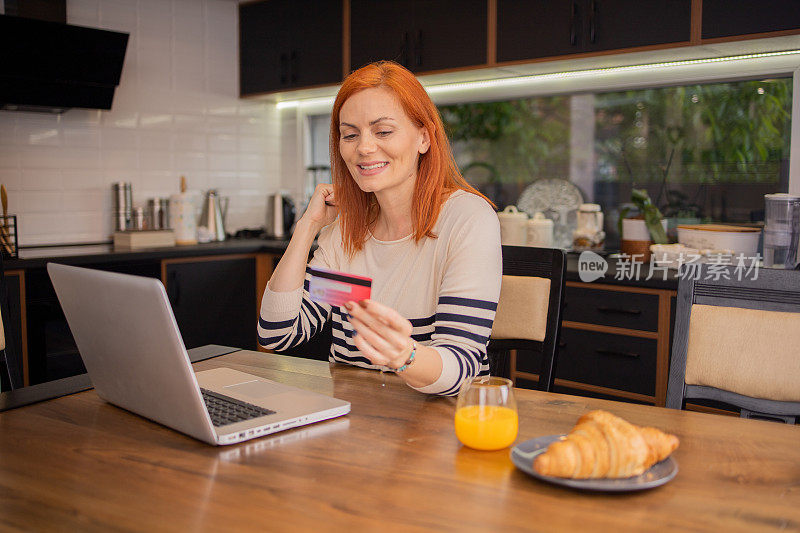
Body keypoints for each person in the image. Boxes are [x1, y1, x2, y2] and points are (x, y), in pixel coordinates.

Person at [258, 61, 501, 396]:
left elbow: (461, 366)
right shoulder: (348, 233)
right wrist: (307, 227)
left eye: (383, 131)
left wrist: (405, 356)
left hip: (441, 423)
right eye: (350, 134)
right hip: (354, 421)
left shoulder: (466, 220)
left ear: (424, 138)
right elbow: (278, 333)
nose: (364, 148)